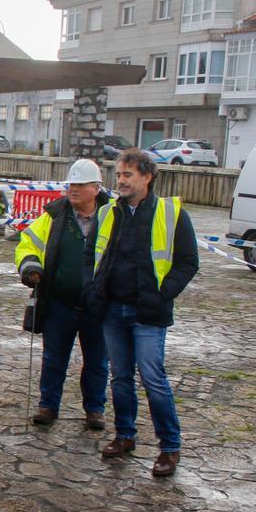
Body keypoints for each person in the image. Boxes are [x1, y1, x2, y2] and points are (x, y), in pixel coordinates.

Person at [84, 148, 198, 477]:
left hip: (148, 312)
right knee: (120, 377)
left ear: (147, 177)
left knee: (153, 378)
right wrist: (92, 290)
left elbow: (188, 262)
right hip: (112, 309)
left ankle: (169, 447)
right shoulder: (108, 213)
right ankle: (124, 435)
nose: (120, 181)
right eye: (118, 175)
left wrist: (163, 294)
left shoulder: (171, 213)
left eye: (128, 175)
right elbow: (91, 256)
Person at [15, 158, 110, 430]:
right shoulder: (54, 216)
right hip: (60, 303)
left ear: (96, 188)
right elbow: (28, 243)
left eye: (80, 185)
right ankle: (48, 404)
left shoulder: (112, 217)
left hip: (97, 306)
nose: (74, 190)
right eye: (71, 184)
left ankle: (95, 409)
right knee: (53, 357)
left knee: (97, 362)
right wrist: (31, 266)